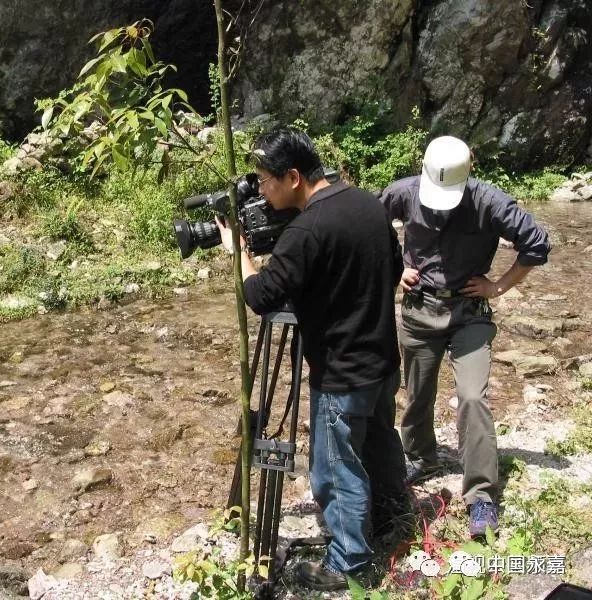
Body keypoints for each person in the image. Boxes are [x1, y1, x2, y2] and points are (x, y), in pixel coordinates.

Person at [216, 127, 407, 592]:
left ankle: (350, 563)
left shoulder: (306, 231)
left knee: (336, 470)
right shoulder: (367, 204)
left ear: (294, 177)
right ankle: (392, 517)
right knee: (379, 444)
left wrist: (239, 252)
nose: (261, 190)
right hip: (381, 361)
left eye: (265, 181)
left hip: (341, 373)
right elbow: (395, 267)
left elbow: (260, 296)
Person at [379, 135, 551, 537]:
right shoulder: (403, 192)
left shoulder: (490, 201)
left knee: (472, 397)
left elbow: (537, 243)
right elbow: (371, 226)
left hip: (469, 313)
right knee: (417, 391)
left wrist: (500, 286)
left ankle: (482, 496)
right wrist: (395, 267)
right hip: (420, 308)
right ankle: (421, 456)